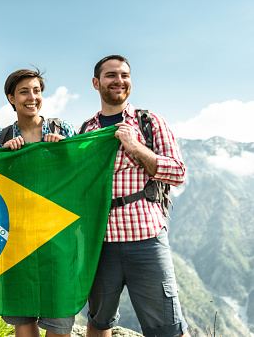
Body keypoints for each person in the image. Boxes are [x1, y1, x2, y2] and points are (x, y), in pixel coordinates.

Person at [80, 55, 190, 337]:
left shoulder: (150, 122)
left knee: (167, 326)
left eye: (125, 75)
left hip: (147, 238)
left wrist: (136, 147)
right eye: (111, 75)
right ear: (96, 83)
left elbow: (178, 173)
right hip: (101, 242)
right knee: (98, 321)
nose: (119, 81)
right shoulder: (86, 131)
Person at [0, 68, 76, 337]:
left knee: (60, 319)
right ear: (11, 98)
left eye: (36, 91)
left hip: (58, 238)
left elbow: (80, 180)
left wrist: (64, 152)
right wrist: (5, 161)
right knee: (22, 318)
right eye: (24, 91)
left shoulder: (63, 130)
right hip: (17, 239)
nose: (32, 97)